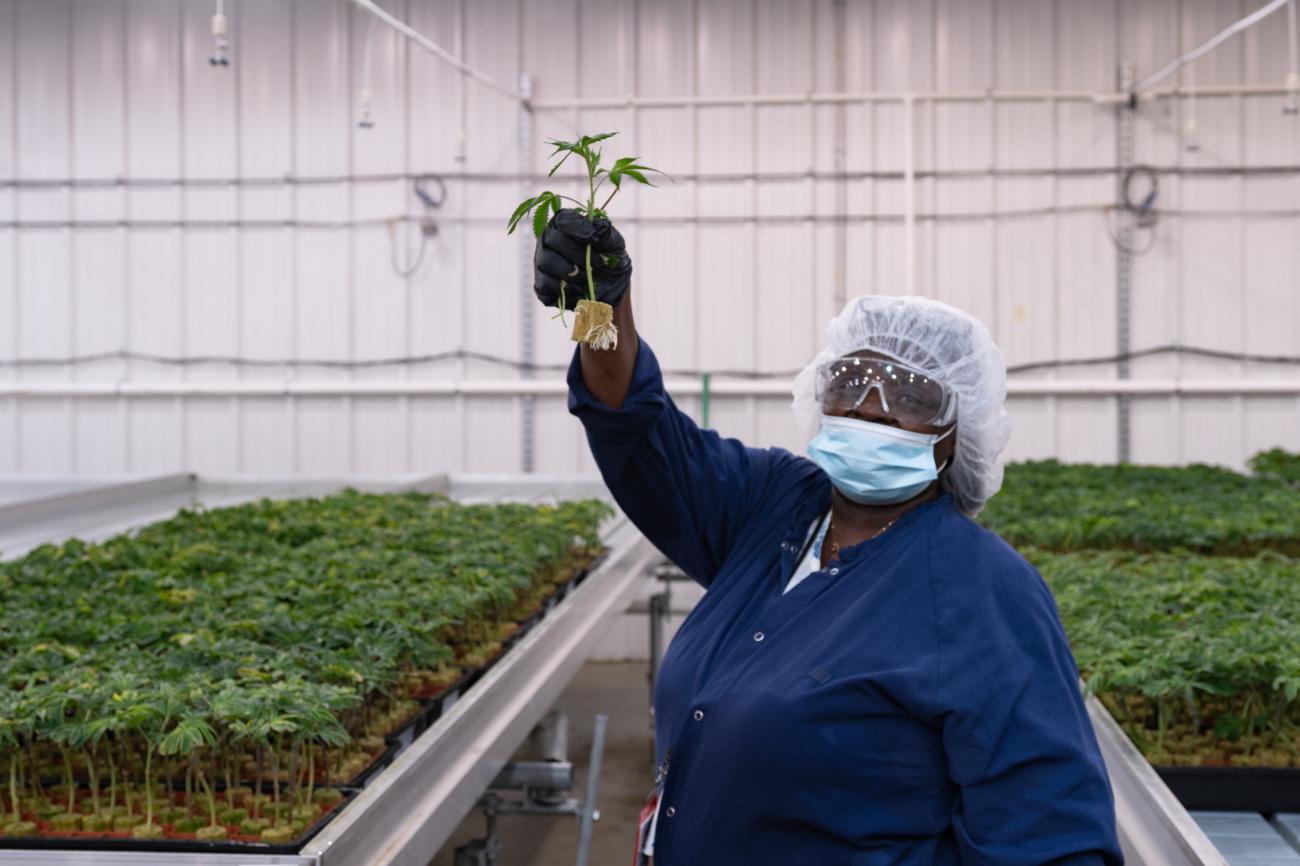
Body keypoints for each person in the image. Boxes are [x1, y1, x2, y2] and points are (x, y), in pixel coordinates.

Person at [534, 209, 1123, 866]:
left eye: (910, 396)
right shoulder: (774, 505)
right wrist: (599, 309)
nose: (871, 405)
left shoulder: (982, 592)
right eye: (850, 381)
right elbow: (636, 431)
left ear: (957, 435)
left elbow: (1051, 840)